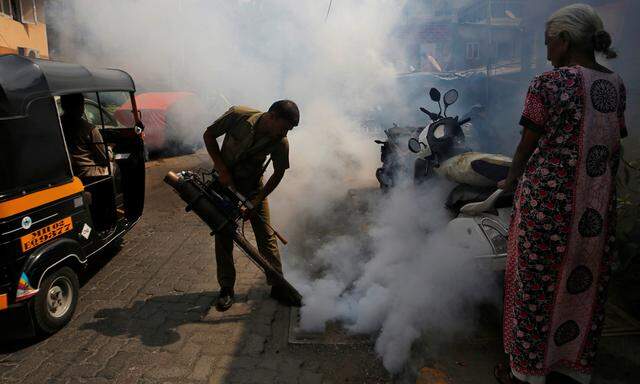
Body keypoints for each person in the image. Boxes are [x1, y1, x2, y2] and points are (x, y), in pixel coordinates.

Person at [495, 4, 626, 384]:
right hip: (596, 213)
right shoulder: (616, 83)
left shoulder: (548, 83)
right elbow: (613, 142)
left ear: (565, 41)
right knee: (580, 286)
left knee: (533, 291)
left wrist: (511, 180)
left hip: (547, 211)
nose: (547, 51)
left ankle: (526, 372)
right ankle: (570, 364)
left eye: (549, 42)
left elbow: (526, 144)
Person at [203, 100, 299, 311]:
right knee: (223, 234)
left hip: (253, 188)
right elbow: (208, 135)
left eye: (289, 130)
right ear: (272, 116)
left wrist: (255, 201)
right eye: (284, 127)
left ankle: (278, 285)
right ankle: (226, 288)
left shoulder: (281, 142)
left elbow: (279, 172)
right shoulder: (238, 115)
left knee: (266, 236)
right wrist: (222, 168)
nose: (286, 134)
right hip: (224, 184)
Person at [60, 93, 116, 232]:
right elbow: (104, 158)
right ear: (80, 106)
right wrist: (109, 149)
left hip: (68, 173)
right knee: (113, 167)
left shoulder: (57, 126)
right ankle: (108, 220)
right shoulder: (89, 128)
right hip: (88, 174)